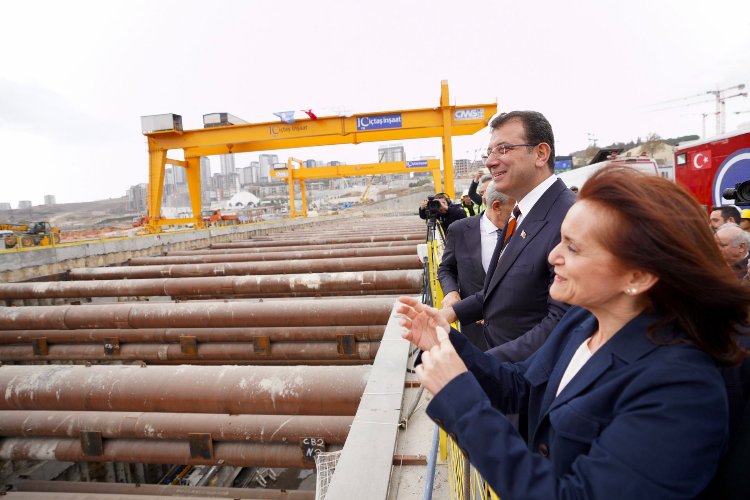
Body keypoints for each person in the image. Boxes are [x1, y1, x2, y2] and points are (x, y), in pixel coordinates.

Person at [397, 167, 750, 499]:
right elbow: (522, 386)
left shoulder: (680, 388)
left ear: (638, 276)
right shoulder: (584, 320)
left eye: (573, 247)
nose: (552, 256)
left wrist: (461, 400)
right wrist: (448, 343)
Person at [440, 111, 576, 360]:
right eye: (489, 153)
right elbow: (497, 290)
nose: (491, 162)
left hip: (532, 382)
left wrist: (483, 363)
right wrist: (450, 314)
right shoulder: (520, 213)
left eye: (503, 149)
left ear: (540, 153)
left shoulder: (570, 218)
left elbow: (563, 323)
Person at [438, 182, 515, 349]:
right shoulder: (459, 230)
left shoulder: (523, 231)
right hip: (474, 332)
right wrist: (451, 292)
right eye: (514, 209)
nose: (519, 214)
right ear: (497, 206)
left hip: (514, 334)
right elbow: (446, 269)